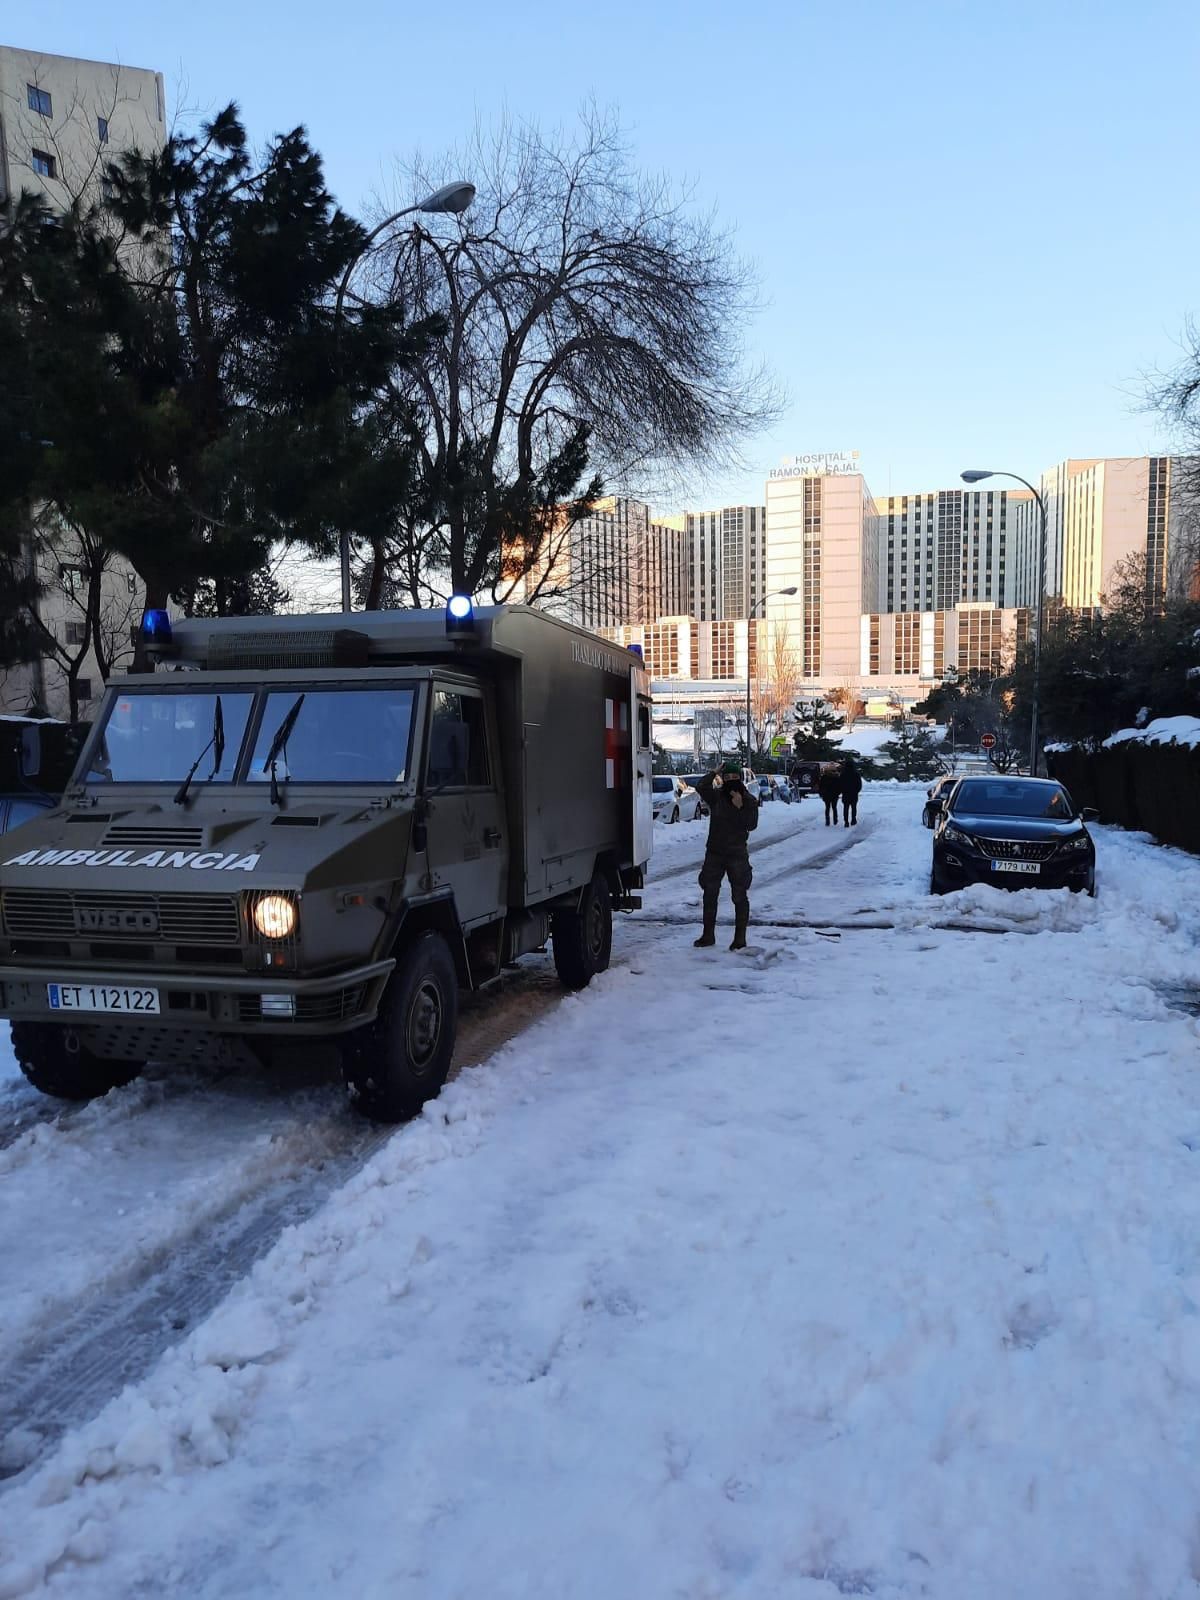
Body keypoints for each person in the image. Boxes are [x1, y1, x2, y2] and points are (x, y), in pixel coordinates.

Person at [691, 760, 760, 950]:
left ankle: (740, 939)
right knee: (709, 894)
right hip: (715, 853)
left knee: (739, 895)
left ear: (740, 778)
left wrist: (740, 808)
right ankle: (708, 935)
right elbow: (701, 786)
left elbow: (751, 825)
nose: (731, 780)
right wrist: (714, 772)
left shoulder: (749, 801)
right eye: (727, 777)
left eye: (734, 777)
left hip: (737, 854)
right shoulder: (717, 797)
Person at [840, 754, 863, 827]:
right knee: (854, 807)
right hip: (854, 794)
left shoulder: (843, 774)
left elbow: (840, 784)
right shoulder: (856, 774)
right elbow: (859, 784)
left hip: (845, 793)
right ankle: (853, 819)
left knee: (845, 808)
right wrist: (857, 791)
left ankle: (846, 822)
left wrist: (842, 791)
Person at [817, 763, 842, 827]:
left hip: (826, 794)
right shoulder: (837, 777)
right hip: (834, 795)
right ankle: (835, 819)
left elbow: (821, 786)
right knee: (834, 807)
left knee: (827, 807)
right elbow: (839, 786)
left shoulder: (824, 777)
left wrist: (821, 793)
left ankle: (827, 821)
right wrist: (838, 793)